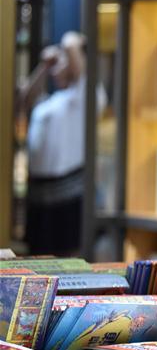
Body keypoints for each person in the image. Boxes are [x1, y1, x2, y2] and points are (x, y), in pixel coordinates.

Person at [16, 32, 106, 256]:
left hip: (68, 192)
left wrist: (66, 49)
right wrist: (44, 67)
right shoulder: (52, 100)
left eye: (66, 60)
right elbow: (24, 100)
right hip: (40, 191)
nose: (59, 64)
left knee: (68, 256)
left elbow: (71, 42)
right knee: (38, 257)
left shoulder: (89, 93)